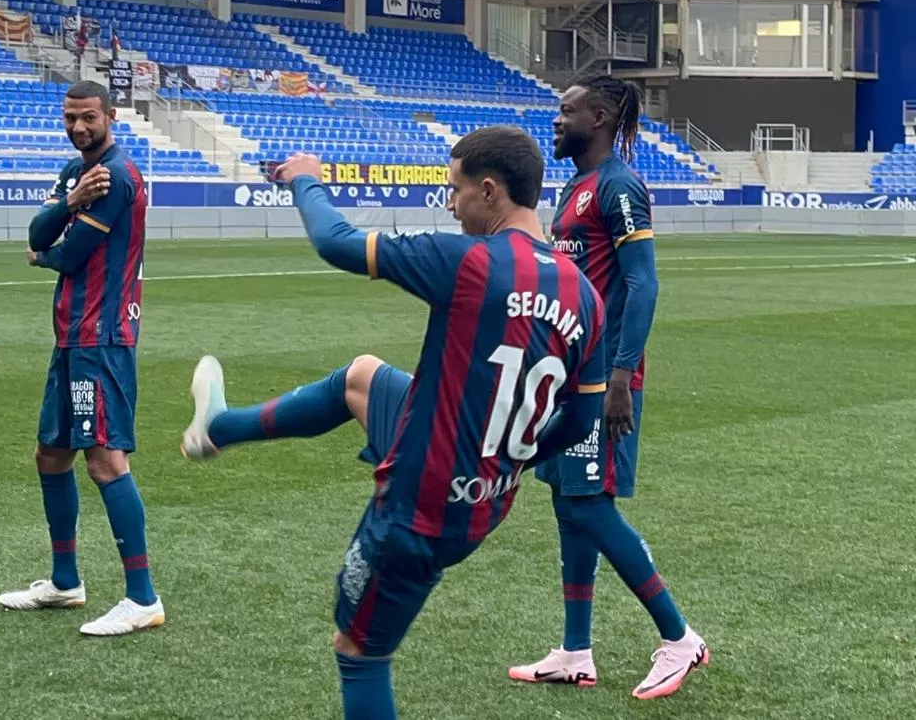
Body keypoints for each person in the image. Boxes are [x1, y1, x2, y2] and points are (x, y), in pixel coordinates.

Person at [179, 125, 607, 720]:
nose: (450, 205)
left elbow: (337, 242)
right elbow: (580, 417)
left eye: (454, 191)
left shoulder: (470, 262)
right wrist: (508, 458)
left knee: (359, 649)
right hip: (487, 493)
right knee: (360, 379)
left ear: (489, 191)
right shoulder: (585, 295)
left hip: (421, 508)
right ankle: (217, 429)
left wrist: (305, 178)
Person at [508, 75, 707, 699]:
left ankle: (679, 638)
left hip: (603, 380)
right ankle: (574, 650)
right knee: (569, 507)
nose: (557, 119)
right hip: (569, 377)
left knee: (591, 505)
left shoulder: (619, 186)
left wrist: (622, 376)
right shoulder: (577, 187)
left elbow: (643, 284)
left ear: (597, 116)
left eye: (566, 111)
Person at [0, 79, 163, 637]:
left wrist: (45, 253)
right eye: (70, 117)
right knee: (51, 453)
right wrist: (66, 205)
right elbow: (38, 228)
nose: (77, 127)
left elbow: (67, 252)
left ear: (110, 116)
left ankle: (142, 597)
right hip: (70, 337)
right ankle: (65, 583)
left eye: (88, 117)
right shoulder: (76, 175)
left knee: (105, 460)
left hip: (101, 337)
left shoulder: (116, 176)